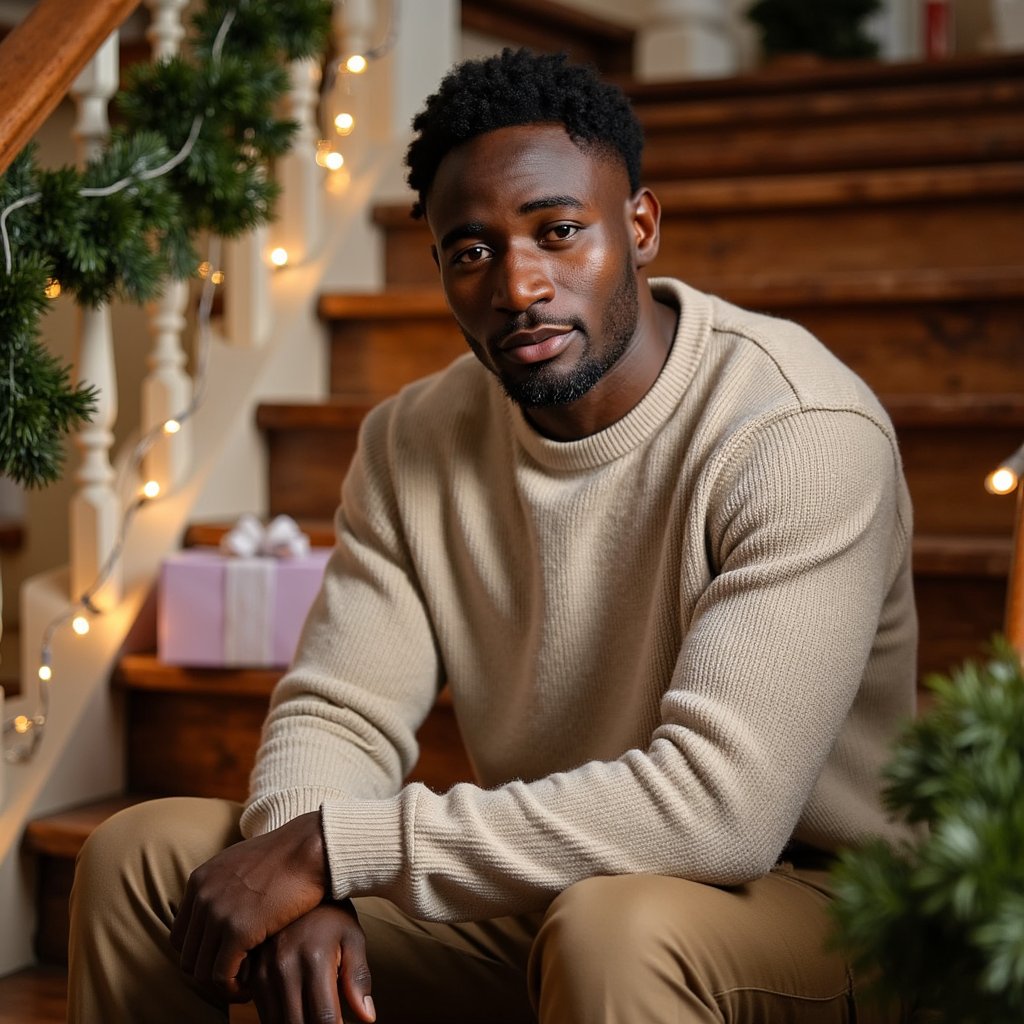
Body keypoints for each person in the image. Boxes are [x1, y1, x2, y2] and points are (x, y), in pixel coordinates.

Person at [68, 47, 917, 1024]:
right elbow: (337, 712)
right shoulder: (411, 439)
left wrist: (333, 848)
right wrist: (315, 877)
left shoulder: (794, 429)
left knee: (616, 929)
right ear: (438, 268)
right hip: (565, 883)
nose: (519, 285)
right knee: (146, 858)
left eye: (558, 232)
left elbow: (720, 809)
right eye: (472, 251)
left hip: (816, 908)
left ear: (638, 228)